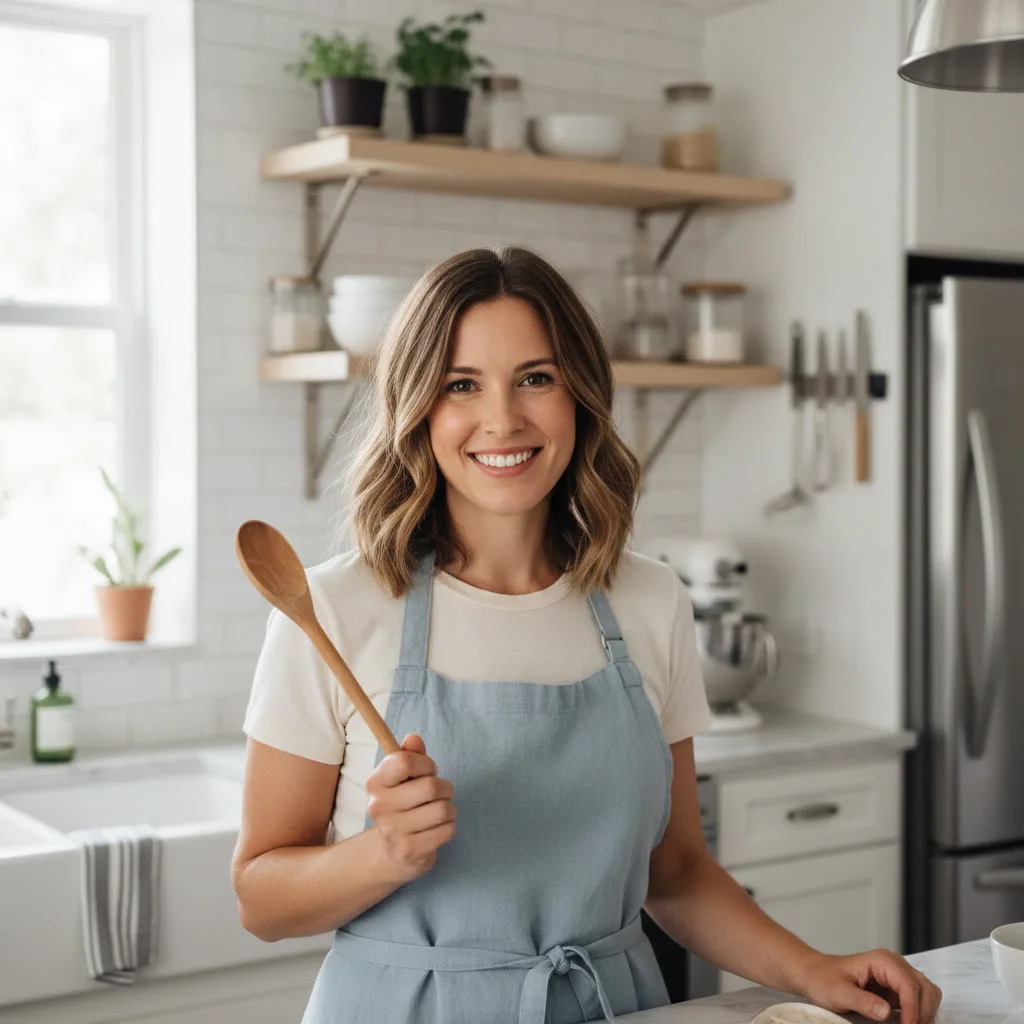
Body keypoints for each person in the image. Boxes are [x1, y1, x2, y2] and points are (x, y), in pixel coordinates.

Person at [233, 247, 942, 1024]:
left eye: (536, 378)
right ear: (418, 408)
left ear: (581, 396)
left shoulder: (649, 599)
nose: (503, 419)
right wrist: (381, 856)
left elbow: (674, 872)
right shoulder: (333, 609)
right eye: (461, 384)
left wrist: (814, 969)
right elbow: (260, 897)